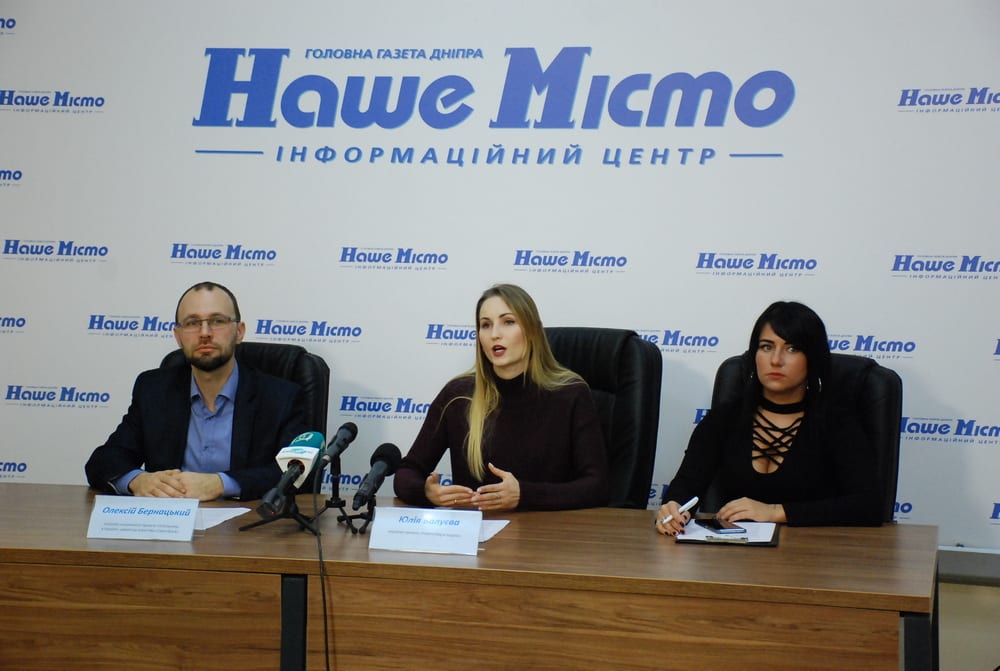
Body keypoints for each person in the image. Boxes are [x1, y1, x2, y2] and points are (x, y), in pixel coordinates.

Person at [655, 301, 883, 535]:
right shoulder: (724, 419)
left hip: (813, 551)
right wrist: (673, 508)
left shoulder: (836, 422)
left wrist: (776, 512)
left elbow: (870, 505)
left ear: (813, 358)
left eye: (792, 349)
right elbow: (685, 487)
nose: (776, 360)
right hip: (735, 550)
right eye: (766, 347)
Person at [393, 283, 609, 511]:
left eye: (508, 322)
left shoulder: (570, 393)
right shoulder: (457, 395)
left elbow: (597, 486)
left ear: (533, 331)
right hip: (476, 529)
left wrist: (524, 495)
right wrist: (426, 492)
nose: (495, 334)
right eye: (486, 325)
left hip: (547, 530)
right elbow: (407, 472)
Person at [85, 281, 308, 501]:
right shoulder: (153, 390)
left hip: (248, 522)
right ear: (178, 336)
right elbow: (104, 460)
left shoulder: (281, 398)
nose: (205, 333)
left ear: (239, 332)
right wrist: (137, 480)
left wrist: (221, 484)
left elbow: (298, 472)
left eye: (217, 321)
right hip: (168, 519)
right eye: (192, 323)